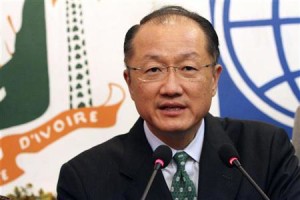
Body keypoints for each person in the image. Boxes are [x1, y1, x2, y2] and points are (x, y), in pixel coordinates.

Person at [57, 5, 300, 200]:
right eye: (153, 69)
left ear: (214, 79)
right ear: (130, 82)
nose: (171, 88)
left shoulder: (266, 151)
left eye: (188, 68)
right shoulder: (84, 179)